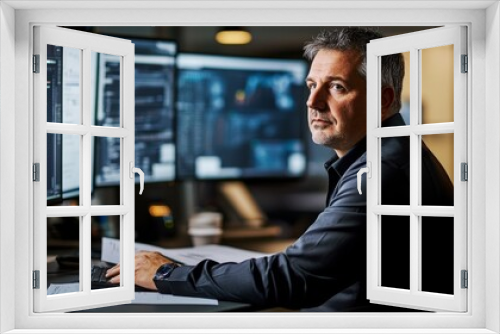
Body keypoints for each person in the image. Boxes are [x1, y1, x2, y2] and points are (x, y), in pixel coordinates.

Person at [106, 27, 454, 311]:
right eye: (311, 85)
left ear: (385, 100)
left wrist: (167, 274)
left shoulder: (382, 172)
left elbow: (293, 277)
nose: (313, 102)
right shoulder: (385, 156)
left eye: (336, 87)